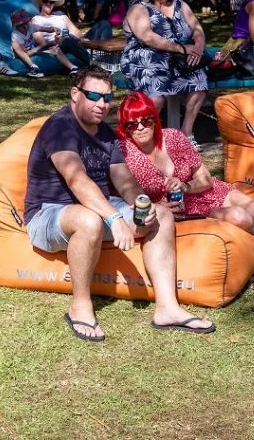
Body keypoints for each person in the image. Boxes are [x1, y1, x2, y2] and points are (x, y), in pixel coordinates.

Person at [23, 66, 214, 341]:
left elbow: (125, 183)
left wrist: (142, 206)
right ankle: (80, 307)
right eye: (93, 96)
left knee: (160, 214)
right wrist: (114, 218)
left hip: (98, 206)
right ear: (75, 94)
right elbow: (76, 179)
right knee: (88, 220)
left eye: (107, 98)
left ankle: (167, 309)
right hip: (49, 213)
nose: (102, 105)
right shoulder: (60, 127)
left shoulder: (106, 134)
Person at [116, 92, 254, 273]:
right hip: (184, 210)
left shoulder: (173, 137)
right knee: (240, 217)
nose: (141, 128)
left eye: (146, 120)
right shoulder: (124, 156)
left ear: (155, 119)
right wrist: (159, 206)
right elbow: (127, 198)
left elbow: (205, 179)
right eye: (133, 124)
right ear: (125, 127)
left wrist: (186, 186)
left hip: (204, 190)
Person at [121, 0, 207, 139]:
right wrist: (181, 48)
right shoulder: (139, 7)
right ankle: (152, 137)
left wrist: (198, 44)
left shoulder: (179, 4)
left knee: (200, 81)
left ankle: (185, 135)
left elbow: (196, 27)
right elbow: (146, 36)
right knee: (156, 93)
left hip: (177, 59)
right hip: (145, 59)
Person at [30, 0, 91, 68]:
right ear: (41, 2)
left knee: (103, 25)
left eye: (51, 2)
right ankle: (94, 62)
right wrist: (56, 41)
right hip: (60, 45)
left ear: (54, 3)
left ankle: (101, 54)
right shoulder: (36, 20)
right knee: (68, 38)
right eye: (45, 1)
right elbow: (41, 42)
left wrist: (82, 39)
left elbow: (77, 33)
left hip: (74, 40)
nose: (48, 4)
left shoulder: (61, 15)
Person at [10, 9, 76, 78]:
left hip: (34, 52)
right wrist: (41, 46)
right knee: (15, 45)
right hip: (24, 57)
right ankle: (33, 68)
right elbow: (26, 54)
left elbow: (46, 29)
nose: (26, 25)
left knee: (56, 50)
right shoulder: (16, 36)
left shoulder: (30, 26)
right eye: (22, 24)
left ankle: (73, 68)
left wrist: (54, 29)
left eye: (26, 22)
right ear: (16, 25)